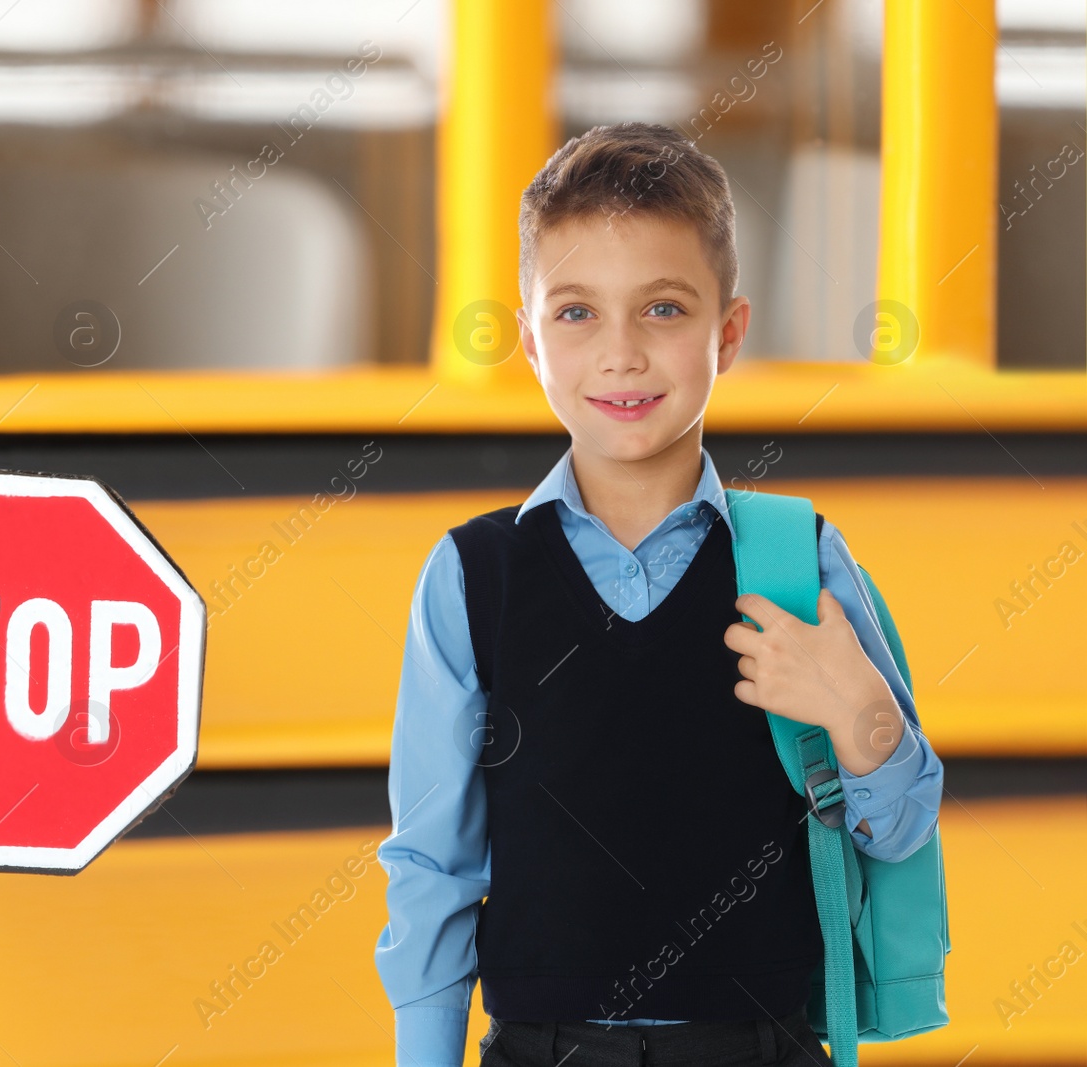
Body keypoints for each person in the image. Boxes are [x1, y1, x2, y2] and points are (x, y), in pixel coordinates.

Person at [372, 122, 944, 1067]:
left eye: (665, 310)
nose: (622, 353)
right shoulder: (474, 577)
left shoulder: (797, 561)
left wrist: (864, 721)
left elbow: (901, 827)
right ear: (528, 339)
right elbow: (433, 866)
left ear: (729, 333)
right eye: (576, 312)